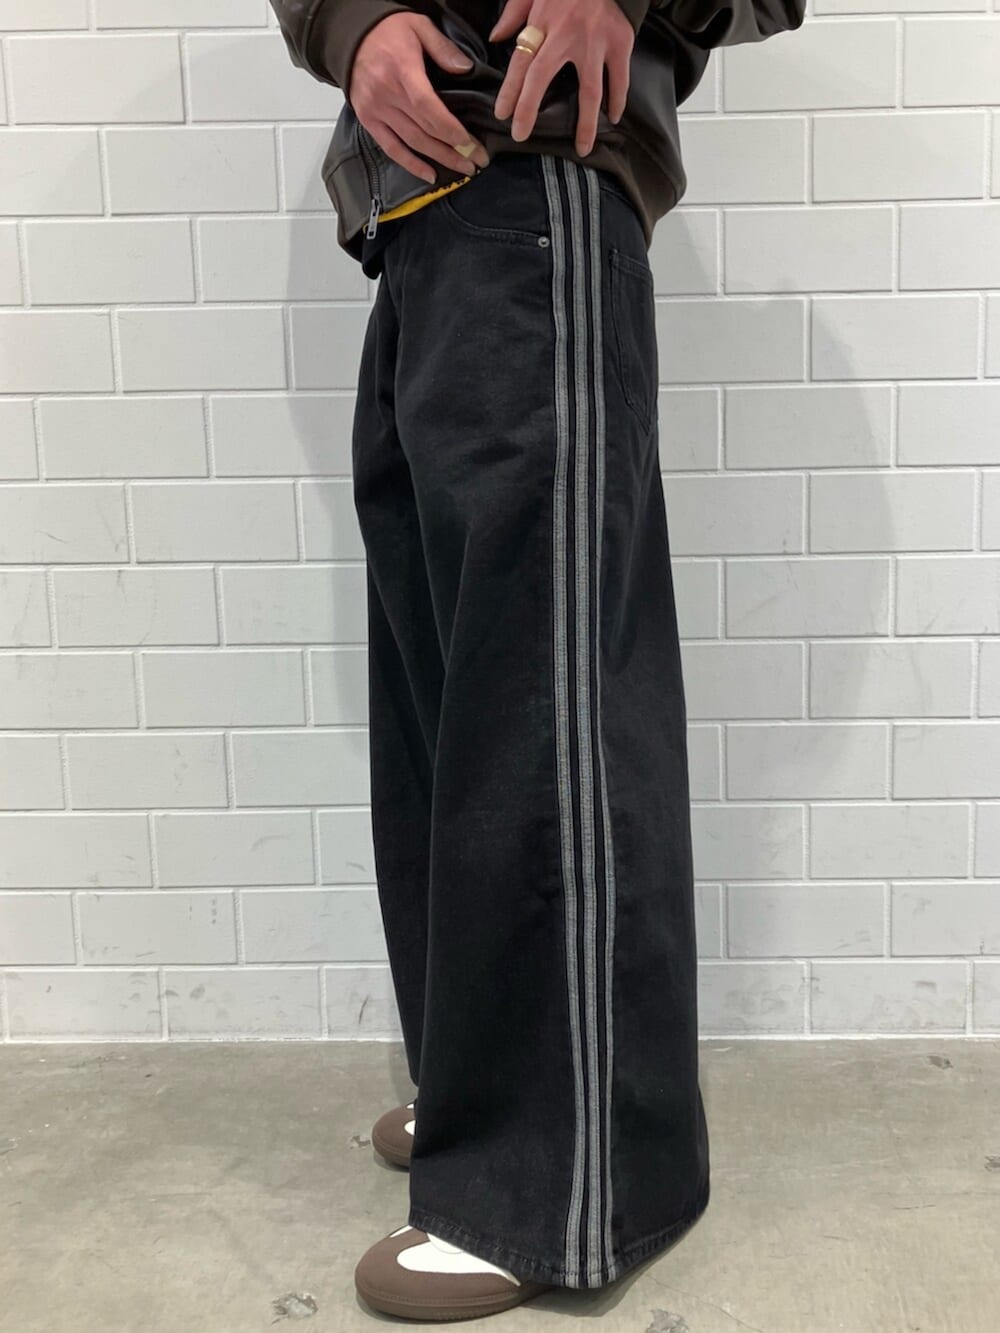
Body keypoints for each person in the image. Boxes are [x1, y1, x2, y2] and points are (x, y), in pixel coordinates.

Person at [270, 0, 805, 1320]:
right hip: (417, 223)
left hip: (543, 186)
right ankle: (488, 1100)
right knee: (446, 706)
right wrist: (355, 25)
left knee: (543, 707)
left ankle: (555, 1184)